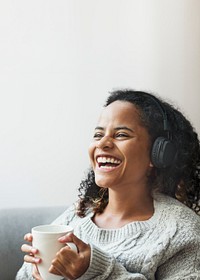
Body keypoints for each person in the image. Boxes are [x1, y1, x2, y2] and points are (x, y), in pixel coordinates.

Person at [16, 89, 200, 280]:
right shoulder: (77, 215)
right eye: (98, 134)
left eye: (121, 134)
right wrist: (37, 267)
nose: (102, 143)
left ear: (157, 153)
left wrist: (95, 270)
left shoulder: (181, 230)